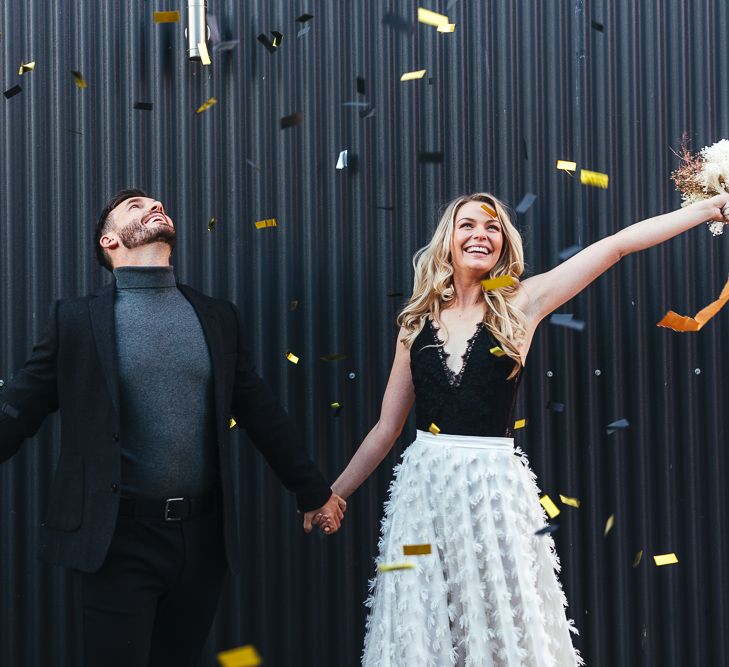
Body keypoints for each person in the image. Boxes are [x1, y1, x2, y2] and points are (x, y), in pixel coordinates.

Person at [331, 191, 729, 666]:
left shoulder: (522, 301)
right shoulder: (415, 323)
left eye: (493, 227)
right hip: (423, 493)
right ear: (448, 241)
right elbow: (385, 429)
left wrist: (708, 209)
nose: (481, 234)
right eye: (468, 226)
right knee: (425, 619)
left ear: (503, 244)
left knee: (502, 614)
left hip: (494, 491)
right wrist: (335, 494)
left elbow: (617, 245)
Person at [0, 188, 345, 667]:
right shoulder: (76, 320)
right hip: (116, 540)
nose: (154, 206)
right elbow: (18, 410)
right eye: (135, 207)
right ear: (109, 241)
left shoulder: (216, 316)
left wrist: (313, 491)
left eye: (156, 203)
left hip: (202, 540)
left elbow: (261, 412)